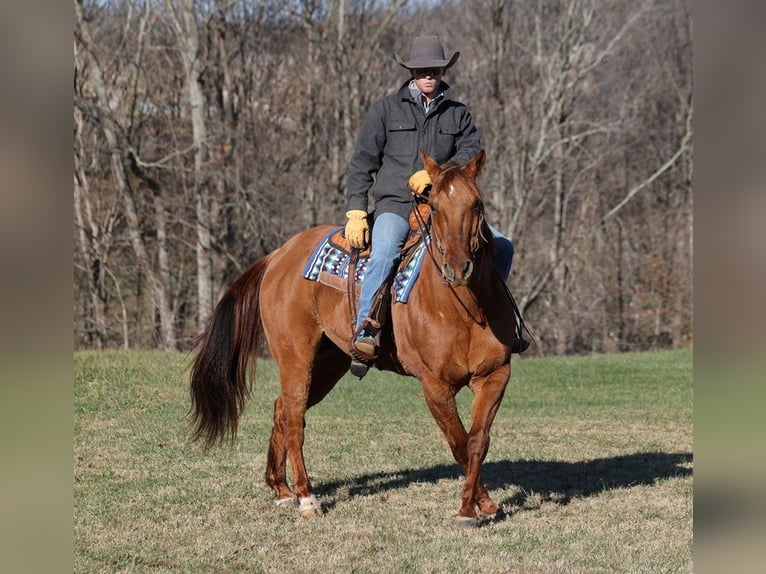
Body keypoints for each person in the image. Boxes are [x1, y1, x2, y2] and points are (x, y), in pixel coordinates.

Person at [344, 35, 528, 365]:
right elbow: (362, 162)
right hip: (397, 204)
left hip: (447, 206)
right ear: (411, 72)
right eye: (421, 70)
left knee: (503, 247)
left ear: (443, 71)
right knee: (385, 250)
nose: (428, 75)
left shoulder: (458, 114)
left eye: (434, 70)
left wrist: (436, 175)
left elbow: (472, 152)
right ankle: (366, 330)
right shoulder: (385, 110)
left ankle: (499, 321)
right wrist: (356, 209)